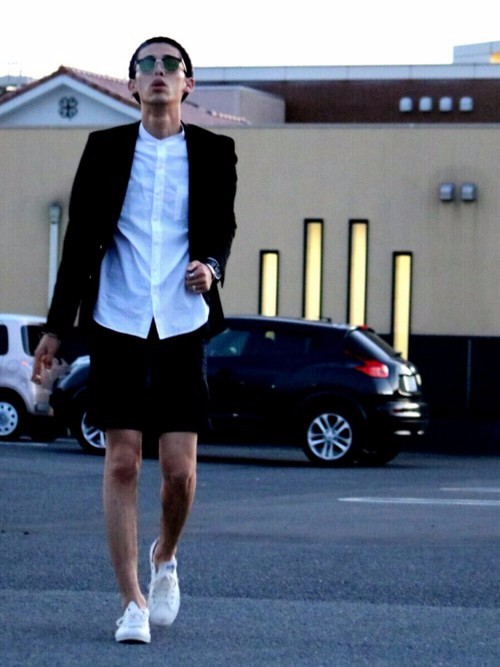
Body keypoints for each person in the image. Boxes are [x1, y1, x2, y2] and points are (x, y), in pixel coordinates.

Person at [32, 35, 237, 644]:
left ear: (188, 83)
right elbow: (78, 245)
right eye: (146, 65)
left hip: (181, 321)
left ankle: (164, 555)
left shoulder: (215, 151)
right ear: (132, 85)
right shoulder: (104, 149)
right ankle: (131, 602)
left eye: (170, 64)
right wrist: (56, 330)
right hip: (117, 318)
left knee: (180, 473)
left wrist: (211, 267)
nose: (158, 72)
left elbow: (221, 228)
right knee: (122, 459)